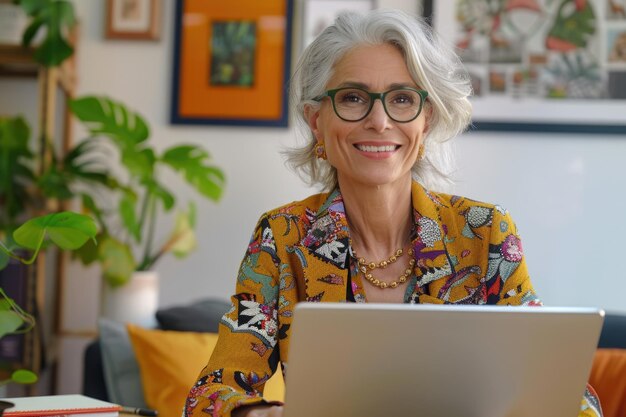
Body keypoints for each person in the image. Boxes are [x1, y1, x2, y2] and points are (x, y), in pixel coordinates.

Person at [184, 9, 602, 417]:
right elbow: (211, 394)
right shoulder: (282, 237)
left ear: (426, 120)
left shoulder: (487, 234)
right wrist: (258, 414)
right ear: (316, 120)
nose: (380, 121)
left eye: (402, 99)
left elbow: (567, 394)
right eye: (352, 98)